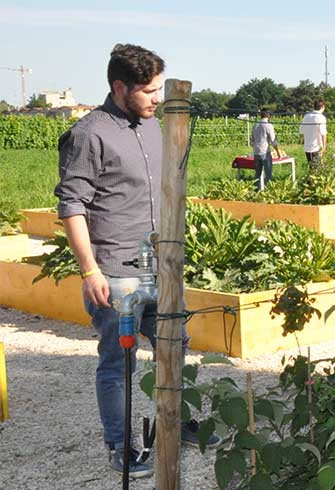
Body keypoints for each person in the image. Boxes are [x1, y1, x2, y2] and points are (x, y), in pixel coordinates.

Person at [54, 43, 219, 480]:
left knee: (175, 346)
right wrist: (89, 271)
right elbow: (72, 205)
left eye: (160, 89)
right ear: (119, 87)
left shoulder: (154, 127)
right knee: (118, 363)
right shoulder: (89, 133)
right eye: (148, 91)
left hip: (160, 269)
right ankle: (119, 444)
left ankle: (174, 421)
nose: (157, 99)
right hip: (115, 273)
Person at [250, 108, 279, 190]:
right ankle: (268, 190)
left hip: (256, 152)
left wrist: (255, 148)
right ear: (268, 115)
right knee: (268, 173)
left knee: (257, 174)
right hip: (265, 152)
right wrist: (277, 151)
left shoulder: (255, 125)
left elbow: (252, 140)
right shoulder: (268, 125)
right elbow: (273, 141)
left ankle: (256, 190)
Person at [299, 99, 327, 172]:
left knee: (312, 167)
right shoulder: (321, 117)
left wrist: (304, 140)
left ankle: (312, 182)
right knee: (316, 169)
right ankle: (313, 183)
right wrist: (324, 147)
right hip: (316, 147)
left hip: (307, 146)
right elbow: (323, 133)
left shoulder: (306, 116)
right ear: (323, 107)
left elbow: (301, 131)